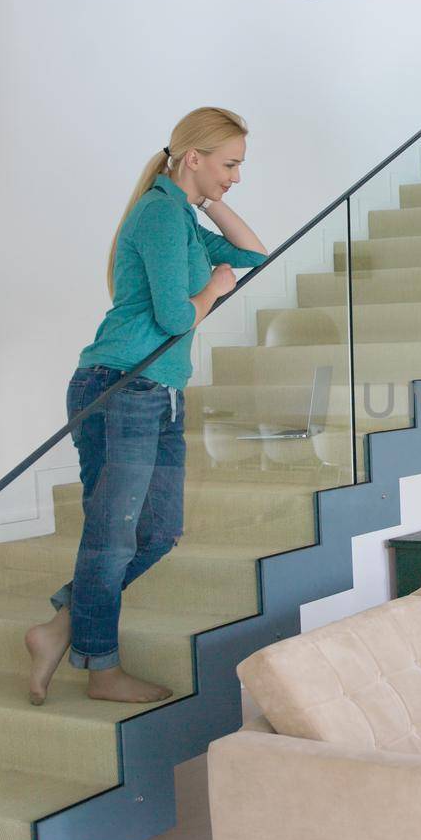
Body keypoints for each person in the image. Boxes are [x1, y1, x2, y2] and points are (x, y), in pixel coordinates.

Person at [26, 108, 268, 705]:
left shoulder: (181, 217)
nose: (236, 176)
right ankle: (101, 670)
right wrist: (214, 287)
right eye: (229, 164)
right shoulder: (159, 215)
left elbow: (256, 254)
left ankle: (60, 626)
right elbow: (173, 318)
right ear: (194, 157)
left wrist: (210, 200)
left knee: (159, 531)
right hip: (119, 387)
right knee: (113, 537)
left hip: (159, 391)